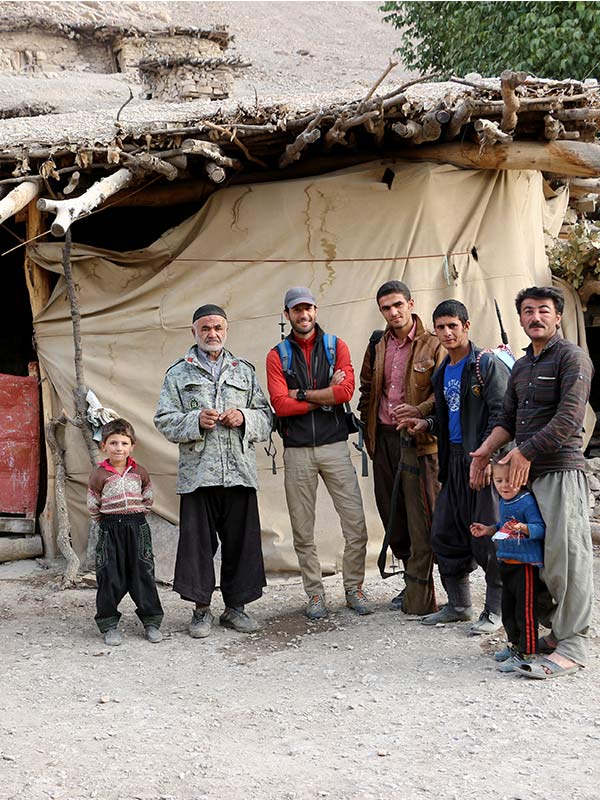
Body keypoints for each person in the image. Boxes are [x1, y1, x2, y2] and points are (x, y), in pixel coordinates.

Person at [470, 285, 594, 679]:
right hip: (526, 478)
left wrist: (523, 453)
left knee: (566, 560)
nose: (535, 317)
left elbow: (570, 418)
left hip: (560, 471)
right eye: (527, 311)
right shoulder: (521, 366)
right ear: (520, 318)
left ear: (558, 316)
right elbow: (507, 419)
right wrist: (483, 452)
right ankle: (556, 634)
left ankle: (573, 645)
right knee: (532, 560)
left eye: (543, 310)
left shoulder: (573, 358)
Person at [154, 304, 273, 637]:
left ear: (226, 330)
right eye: (205, 328)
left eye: (218, 327)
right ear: (194, 332)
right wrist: (194, 421)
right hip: (198, 475)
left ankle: (236, 609)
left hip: (239, 472)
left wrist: (244, 417)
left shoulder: (244, 371)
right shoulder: (179, 373)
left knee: (241, 543)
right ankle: (201, 611)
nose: (212, 334)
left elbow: (267, 419)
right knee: (198, 545)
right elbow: (163, 420)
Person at [403, 299, 510, 634]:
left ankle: (495, 611)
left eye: (453, 325)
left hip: (482, 459)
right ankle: (460, 605)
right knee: (445, 533)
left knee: (488, 535)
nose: (447, 333)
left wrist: (489, 459)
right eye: (441, 327)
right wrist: (427, 423)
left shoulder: (485, 364)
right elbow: (451, 415)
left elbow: (501, 414)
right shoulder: (441, 372)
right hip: (453, 461)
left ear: (466, 326)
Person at [266, 286, 371, 619]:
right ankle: (315, 595)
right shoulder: (277, 355)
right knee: (302, 529)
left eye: (308, 308)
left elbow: (345, 391)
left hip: (335, 446)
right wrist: (324, 394)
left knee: (355, 524)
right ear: (287, 315)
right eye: (297, 310)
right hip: (296, 452)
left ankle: (353, 588)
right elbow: (280, 405)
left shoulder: (335, 345)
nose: (304, 314)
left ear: (316, 309)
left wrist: (301, 393)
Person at [357, 280, 444, 614]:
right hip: (385, 439)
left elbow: (442, 392)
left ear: (410, 303)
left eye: (397, 305)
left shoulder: (432, 343)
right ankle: (414, 583)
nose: (393, 313)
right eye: (385, 308)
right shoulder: (378, 344)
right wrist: (369, 430)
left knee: (428, 513)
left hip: (421, 442)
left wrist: (419, 412)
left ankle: (447, 585)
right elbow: (368, 389)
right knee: (393, 512)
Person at [87, 418, 164, 646]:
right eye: (113, 443)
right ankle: (109, 624)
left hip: (137, 527)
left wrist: (137, 516)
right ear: (104, 446)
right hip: (110, 528)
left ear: (132, 446)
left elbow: (148, 497)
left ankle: (151, 621)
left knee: (143, 573)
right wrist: (105, 522)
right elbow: (93, 503)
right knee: (110, 575)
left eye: (123, 443)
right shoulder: (99, 474)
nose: (118, 448)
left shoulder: (139, 472)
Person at [471, 459, 546, 673]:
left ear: (521, 479)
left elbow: (540, 528)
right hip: (507, 564)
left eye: (509, 480)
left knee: (525, 611)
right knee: (509, 611)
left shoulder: (526, 501)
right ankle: (514, 646)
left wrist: (523, 527)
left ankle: (528, 652)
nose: (504, 485)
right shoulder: (504, 502)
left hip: (525, 566)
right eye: (499, 480)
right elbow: (503, 527)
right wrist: (487, 529)